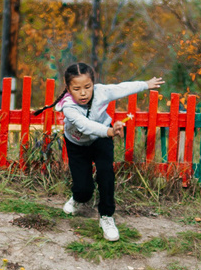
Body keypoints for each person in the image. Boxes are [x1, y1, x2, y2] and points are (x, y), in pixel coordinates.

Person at [50, 61, 160, 242]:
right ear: (68, 88)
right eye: (77, 88)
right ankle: (78, 198)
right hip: (77, 144)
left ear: (94, 84)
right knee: (84, 189)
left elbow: (122, 88)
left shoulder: (101, 92)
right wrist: (110, 131)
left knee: (106, 174)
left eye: (87, 87)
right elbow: (85, 126)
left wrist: (145, 84)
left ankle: (106, 216)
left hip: (101, 140)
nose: (83, 93)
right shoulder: (68, 107)